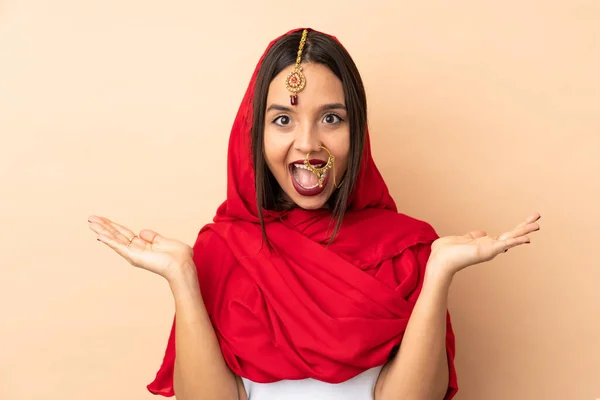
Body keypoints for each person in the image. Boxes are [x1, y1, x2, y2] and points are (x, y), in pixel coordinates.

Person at [88, 28, 541, 400]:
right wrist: (182, 277)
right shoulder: (221, 251)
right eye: (283, 119)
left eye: (331, 119)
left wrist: (439, 271)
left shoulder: (410, 250)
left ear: (357, 132)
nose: (308, 144)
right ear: (255, 134)